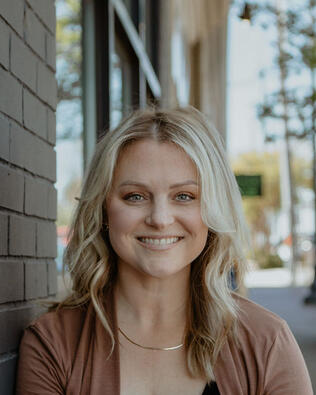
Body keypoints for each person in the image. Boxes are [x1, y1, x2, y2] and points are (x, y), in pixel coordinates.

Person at [16, 107, 313, 395]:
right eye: (135, 196)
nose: (159, 218)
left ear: (213, 210)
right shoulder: (53, 343)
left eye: (184, 196)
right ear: (104, 211)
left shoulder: (267, 342)